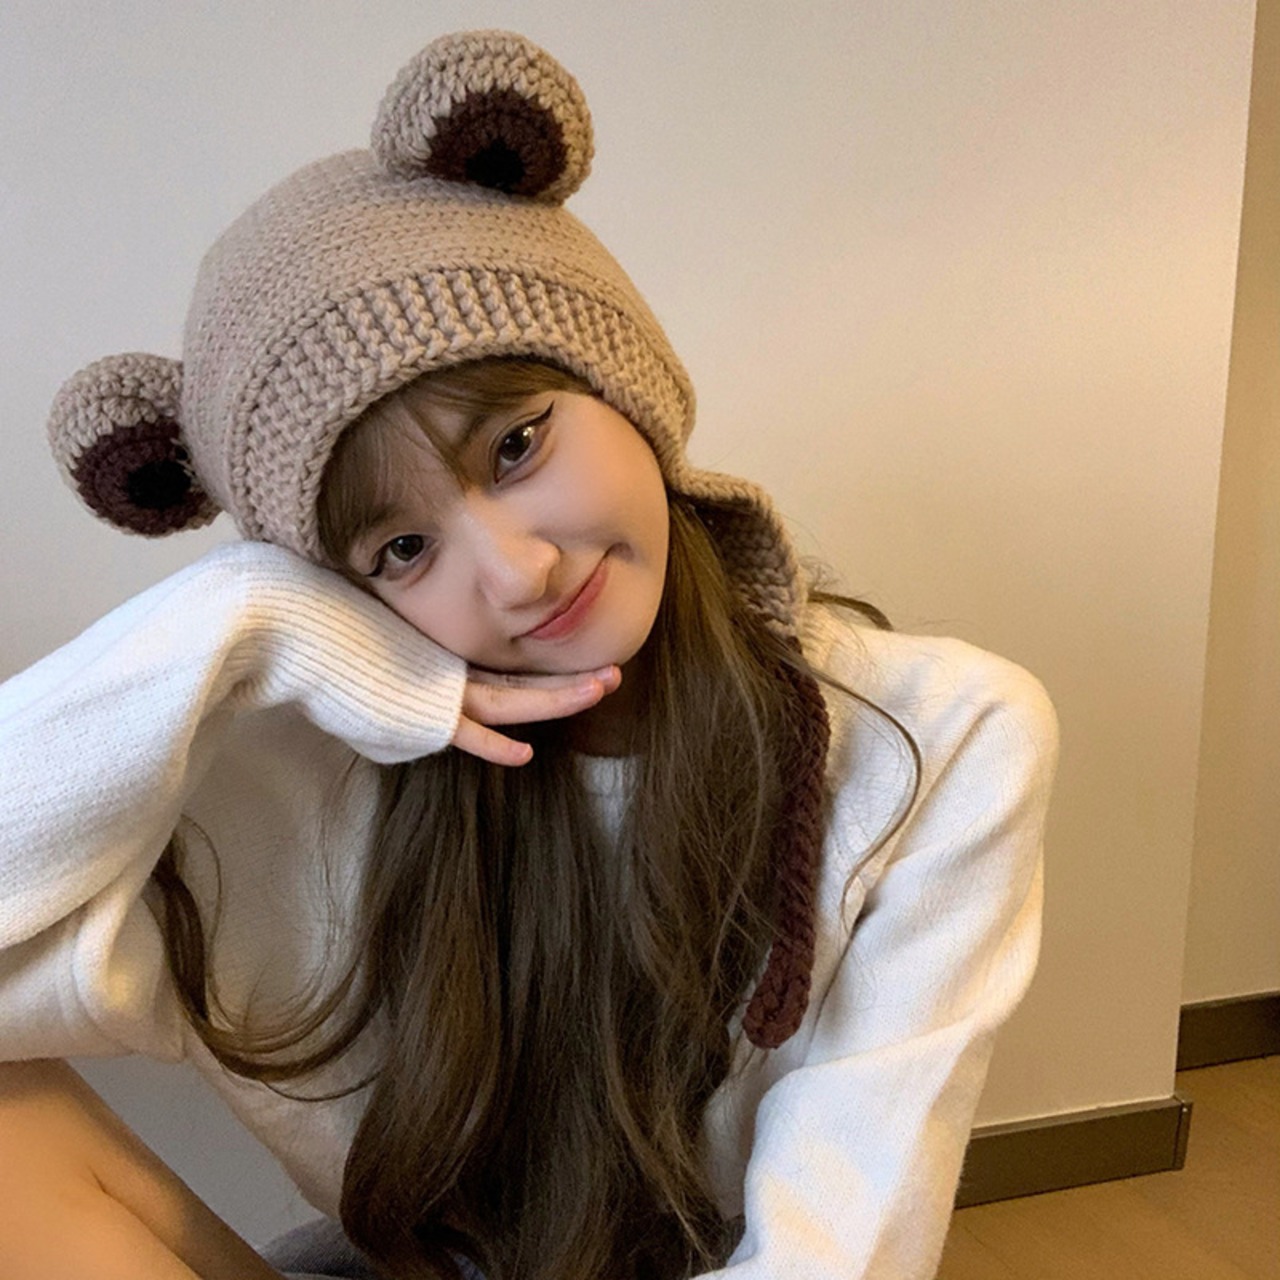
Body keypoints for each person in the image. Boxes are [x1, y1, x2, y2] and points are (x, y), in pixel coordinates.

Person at [0, 28, 1058, 1280]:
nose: (516, 572)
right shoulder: (284, 782)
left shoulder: (936, 735)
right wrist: (232, 617)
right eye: (400, 547)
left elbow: (832, 1254)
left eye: (513, 446)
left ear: (621, 379)